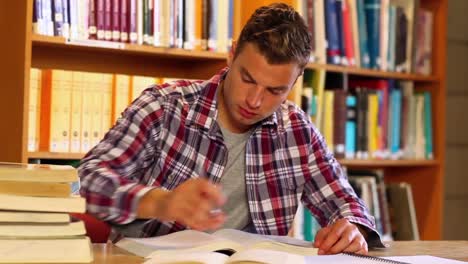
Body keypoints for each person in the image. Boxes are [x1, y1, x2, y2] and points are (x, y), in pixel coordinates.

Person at [78, 3, 383, 255]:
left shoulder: (297, 130)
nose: (255, 100)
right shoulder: (164, 107)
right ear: (232, 54)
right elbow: (88, 180)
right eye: (247, 79)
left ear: (295, 81)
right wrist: (161, 202)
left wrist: (351, 227)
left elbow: (346, 203)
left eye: (275, 91)